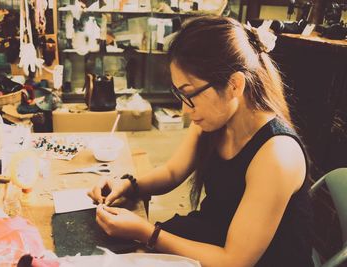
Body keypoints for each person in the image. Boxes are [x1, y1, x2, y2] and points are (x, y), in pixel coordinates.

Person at [88, 16, 313, 267]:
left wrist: (147, 233)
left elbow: (234, 260)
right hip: (217, 236)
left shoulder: (276, 155)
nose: (185, 110)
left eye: (189, 94)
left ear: (234, 85)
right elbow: (173, 172)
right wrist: (128, 185)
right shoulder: (213, 121)